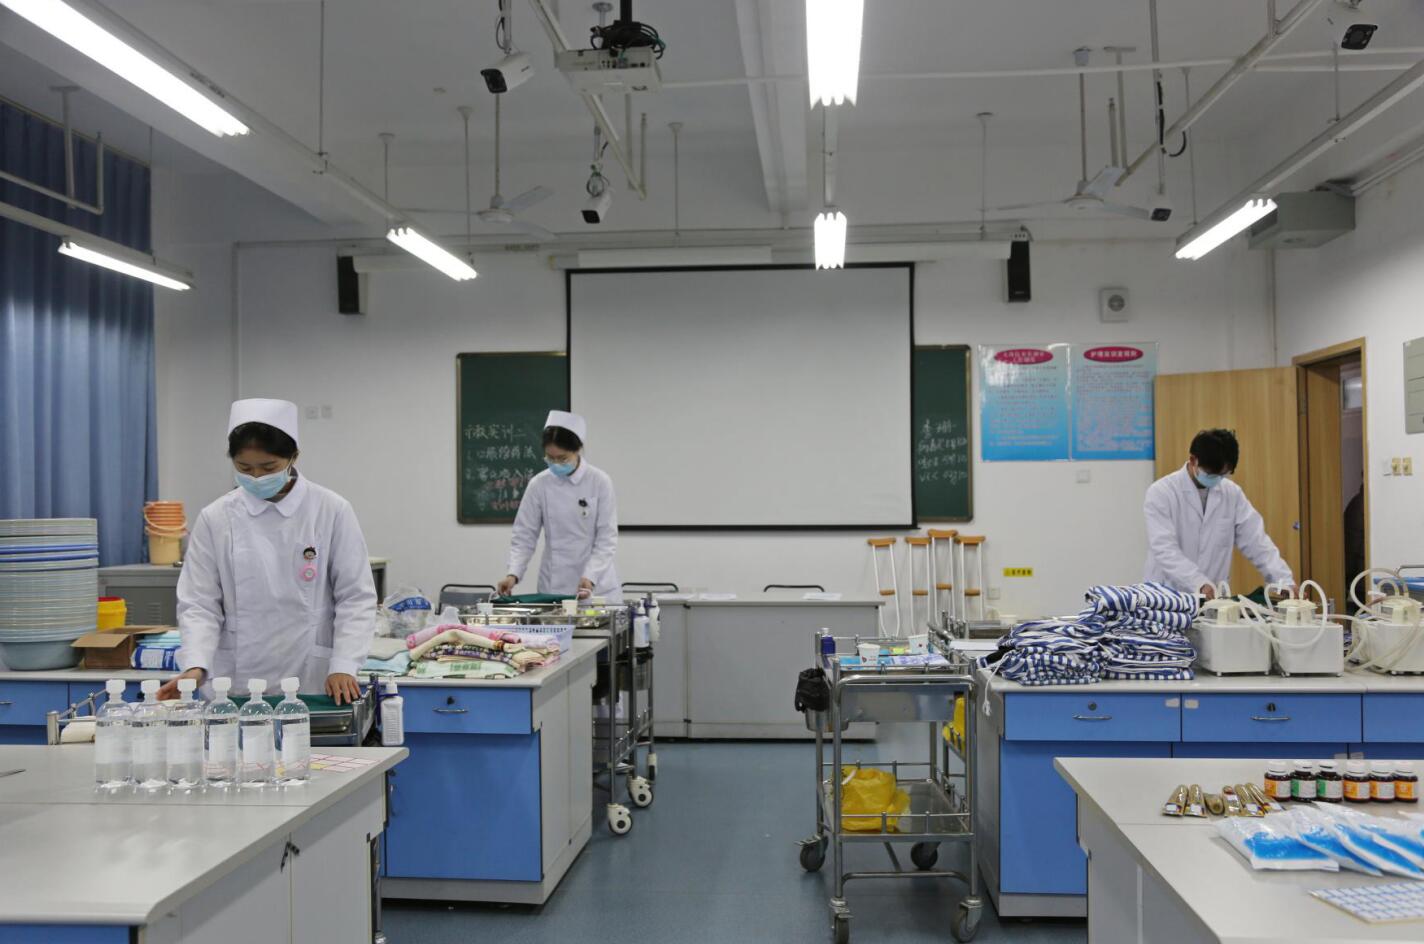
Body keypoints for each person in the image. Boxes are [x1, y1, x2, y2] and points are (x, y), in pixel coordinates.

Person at [157, 399, 376, 704]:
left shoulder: (330, 509)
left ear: (293, 457)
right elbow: (199, 603)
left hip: (312, 675)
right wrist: (196, 665)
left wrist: (344, 664)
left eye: (269, 467)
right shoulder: (216, 517)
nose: (257, 478)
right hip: (235, 679)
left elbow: (355, 597)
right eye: (245, 468)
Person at [1143, 427, 1294, 598]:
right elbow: (1164, 549)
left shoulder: (1232, 494)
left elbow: (1256, 541)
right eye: (1211, 474)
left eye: (1223, 475)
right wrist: (1198, 582)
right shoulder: (1162, 492)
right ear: (1193, 460)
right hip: (1167, 594)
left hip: (1213, 598)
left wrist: (1282, 579)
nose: (1216, 480)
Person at [497, 410, 621, 602]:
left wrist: (591, 575)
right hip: (554, 583)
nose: (555, 463)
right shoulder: (539, 484)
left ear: (577, 450)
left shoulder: (599, 481)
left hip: (597, 586)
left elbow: (606, 538)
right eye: (550, 458)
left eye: (562, 458)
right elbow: (524, 535)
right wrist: (513, 573)